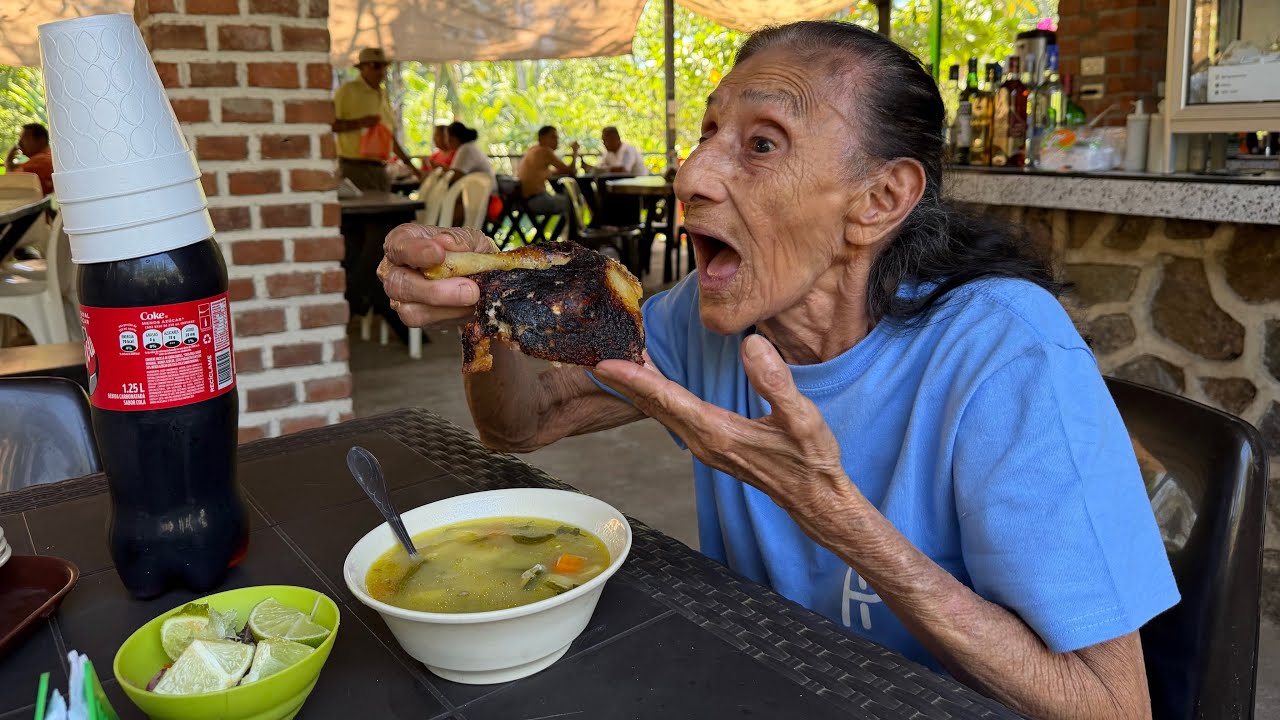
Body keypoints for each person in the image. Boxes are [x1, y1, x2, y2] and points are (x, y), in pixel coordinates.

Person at [378, 21, 1177, 719]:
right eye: (709, 132)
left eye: (761, 144)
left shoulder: (1003, 352)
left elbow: (1109, 706)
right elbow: (522, 423)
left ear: (879, 199)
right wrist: (486, 300)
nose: (692, 174)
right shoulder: (704, 313)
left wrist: (832, 513)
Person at [331, 48, 416, 192]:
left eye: (384, 66)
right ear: (363, 68)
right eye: (375, 66)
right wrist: (360, 123)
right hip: (354, 167)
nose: (381, 71)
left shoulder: (382, 94)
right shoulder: (347, 90)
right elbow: (331, 125)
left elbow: (389, 136)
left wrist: (411, 166)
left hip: (380, 169)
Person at [515, 126, 578, 217]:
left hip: (522, 202)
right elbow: (571, 171)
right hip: (535, 201)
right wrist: (575, 152)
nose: (557, 140)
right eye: (553, 137)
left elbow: (553, 172)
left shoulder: (533, 150)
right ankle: (573, 231)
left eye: (557, 137)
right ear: (542, 138)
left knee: (566, 199)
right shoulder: (545, 151)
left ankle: (565, 230)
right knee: (573, 201)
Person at [444, 122, 495, 193]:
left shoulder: (466, 149)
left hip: (485, 196)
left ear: (452, 138)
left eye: (446, 137)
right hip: (482, 191)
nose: (446, 141)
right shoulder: (468, 147)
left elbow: (455, 177)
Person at [4, 123, 54, 196]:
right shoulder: (50, 157)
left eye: (24, 139)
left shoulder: (40, 161)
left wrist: (8, 163)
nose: (19, 144)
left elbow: (8, 184)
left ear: (41, 140)